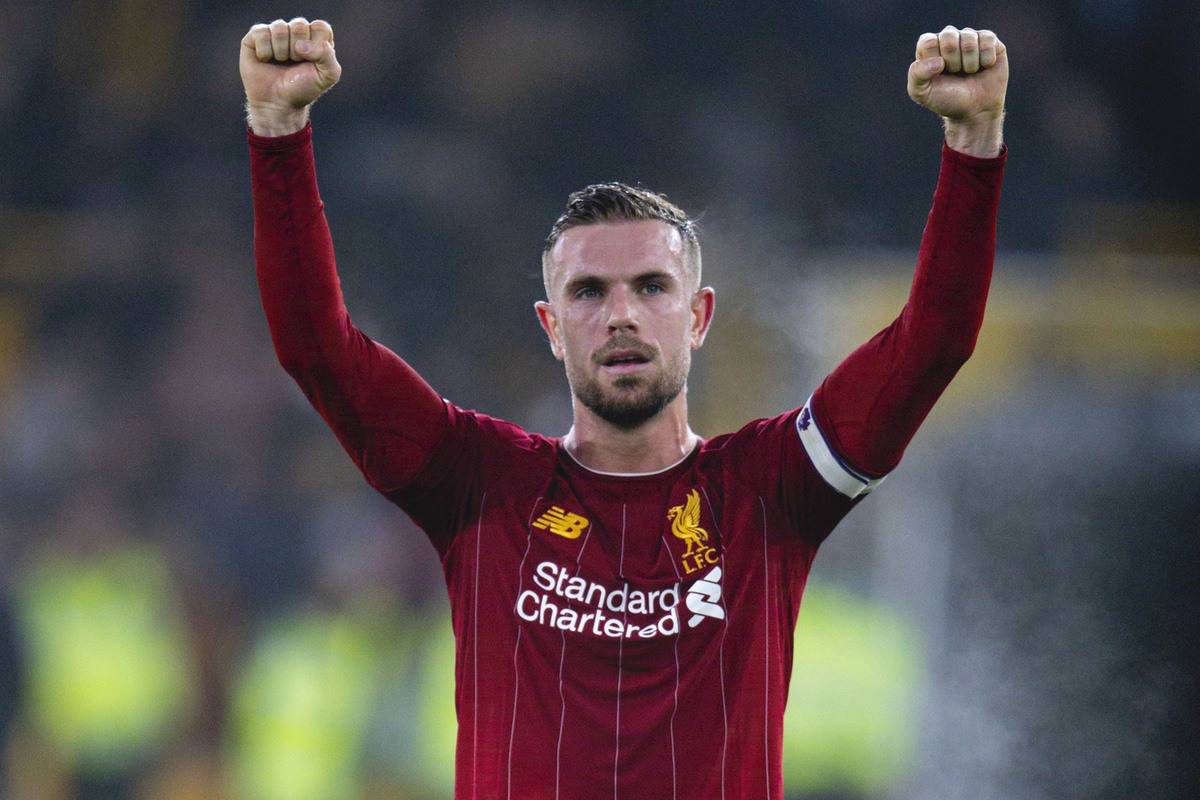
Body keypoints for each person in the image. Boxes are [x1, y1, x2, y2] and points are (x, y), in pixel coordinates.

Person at [241, 17, 1007, 800]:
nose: (621, 315)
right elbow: (313, 345)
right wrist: (278, 133)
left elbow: (935, 341)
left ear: (700, 315)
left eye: (650, 287)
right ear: (550, 326)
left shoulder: (771, 489)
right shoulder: (481, 482)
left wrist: (974, 144)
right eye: (588, 292)